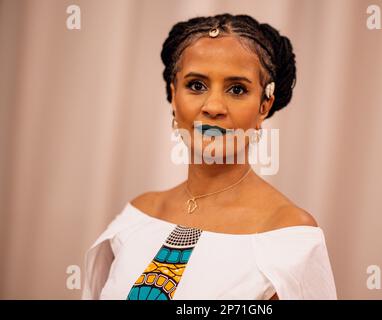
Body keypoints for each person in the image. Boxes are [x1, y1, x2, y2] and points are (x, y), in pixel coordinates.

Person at [82, 13, 337, 300]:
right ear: (173, 94)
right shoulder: (139, 215)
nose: (213, 106)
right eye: (196, 85)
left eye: (237, 89)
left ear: (264, 104)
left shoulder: (286, 234)